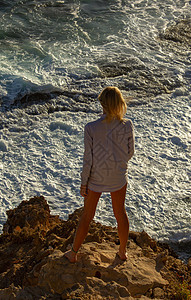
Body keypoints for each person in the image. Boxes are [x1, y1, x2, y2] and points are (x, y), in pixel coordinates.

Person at [64, 86, 135, 263]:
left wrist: (83, 182)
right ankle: (122, 251)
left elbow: (88, 159)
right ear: (119, 104)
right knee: (120, 213)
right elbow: (130, 152)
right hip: (118, 176)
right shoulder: (127, 125)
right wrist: (118, 163)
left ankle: (73, 253)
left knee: (87, 216)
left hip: (95, 177)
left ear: (102, 104)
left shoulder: (91, 128)